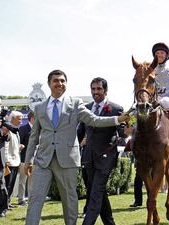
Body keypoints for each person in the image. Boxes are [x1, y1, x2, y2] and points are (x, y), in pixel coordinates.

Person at [23, 70, 129, 225]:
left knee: (69, 200)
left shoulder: (76, 104)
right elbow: (34, 136)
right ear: (49, 84)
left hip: (67, 160)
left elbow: (94, 120)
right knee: (35, 199)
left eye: (62, 81)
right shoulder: (39, 107)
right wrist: (28, 160)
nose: (59, 83)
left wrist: (117, 119)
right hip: (42, 160)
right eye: (56, 80)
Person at [77, 77, 126, 225]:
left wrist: (128, 131)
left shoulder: (116, 108)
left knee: (95, 194)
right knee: (98, 192)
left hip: (106, 157)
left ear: (105, 90)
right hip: (88, 157)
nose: (95, 92)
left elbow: (123, 133)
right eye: (93, 89)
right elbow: (80, 132)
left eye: (99, 89)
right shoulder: (86, 107)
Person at [1, 111, 23, 209]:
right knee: (7, 185)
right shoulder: (7, 130)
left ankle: (8, 202)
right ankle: (5, 204)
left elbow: (12, 145)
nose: (21, 121)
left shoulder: (15, 131)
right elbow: (5, 146)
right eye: (19, 119)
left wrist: (19, 147)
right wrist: (6, 160)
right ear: (13, 119)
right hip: (9, 162)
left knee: (11, 184)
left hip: (16, 162)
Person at [17, 111, 34, 206]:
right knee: (22, 180)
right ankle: (21, 199)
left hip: (35, 160)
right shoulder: (23, 129)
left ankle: (31, 198)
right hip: (24, 159)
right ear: (32, 118)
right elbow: (19, 143)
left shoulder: (39, 129)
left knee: (32, 181)